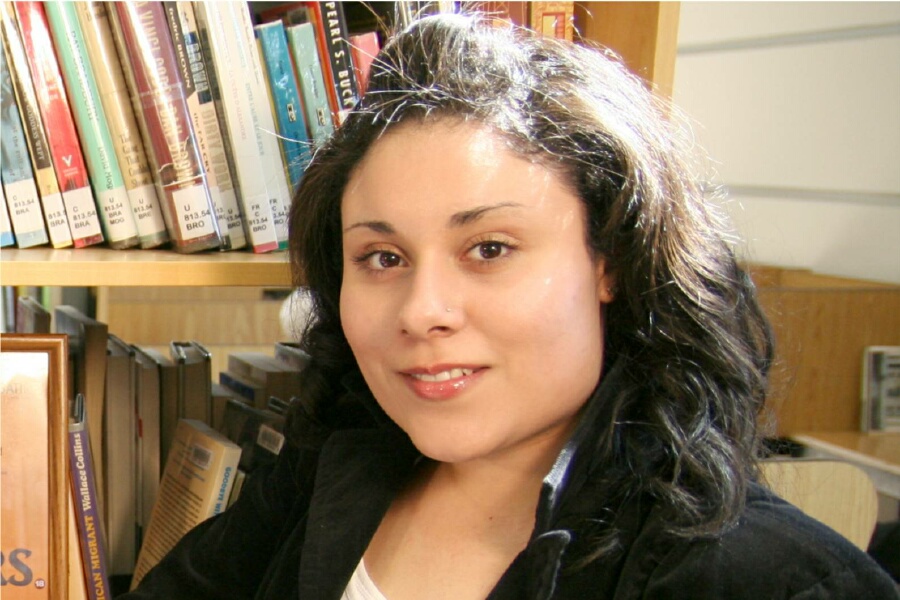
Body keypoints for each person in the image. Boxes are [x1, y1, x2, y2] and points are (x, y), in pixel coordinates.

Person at [121, 14, 897, 600]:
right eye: (383, 258)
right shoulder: (330, 473)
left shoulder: (775, 580)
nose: (422, 311)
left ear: (612, 261)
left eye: (489, 248)